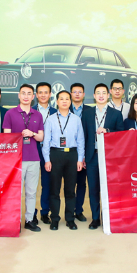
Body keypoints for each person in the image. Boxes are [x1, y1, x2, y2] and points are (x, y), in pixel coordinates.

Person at [81, 83, 124, 230]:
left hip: (109, 157)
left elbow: (121, 135)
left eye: (104, 93)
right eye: (98, 93)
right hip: (92, 156)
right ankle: (95, 218)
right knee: (93, 189)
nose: (101, 95)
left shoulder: (116, 114)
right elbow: (83, 136)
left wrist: (108, 131)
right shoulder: (87, 113)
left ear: (108, 95)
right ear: (94, 96)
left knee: (109, 188)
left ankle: (107, 217)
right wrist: (83, 156)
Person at [3, 84, 45, 232]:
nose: (26, 96)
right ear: (19, 95)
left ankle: (29, 220)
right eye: (23, 93)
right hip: (16, 159)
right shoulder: (10, 114)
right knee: (16, 192)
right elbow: (6, 137)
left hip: (33, 159)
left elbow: (41, 137)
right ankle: (15, 221)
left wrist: (32, 134)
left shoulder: (38, 115)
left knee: (31, 192)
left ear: (33, 97)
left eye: (29, 94)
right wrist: (18, 135)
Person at [42, 90, 85, 231]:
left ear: (70, 101)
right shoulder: (50, 119)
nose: (65, 101)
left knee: (70, 190)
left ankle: (70, 219)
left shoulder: (76, 119)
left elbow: (81, 141)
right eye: (62, 99)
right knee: (54, 189)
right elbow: (46, 142)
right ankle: (55, 219)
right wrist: (47, 160)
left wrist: (80, 159)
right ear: (57, 102)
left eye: (67, 99)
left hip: (72, 155)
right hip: (55, 155)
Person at [33, 82, 57, 225]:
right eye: (40, 92)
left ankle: (45, 212)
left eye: (46, 92)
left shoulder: (56, 112)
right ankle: (32, 213)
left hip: (49, 152)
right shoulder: (30, 111)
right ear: (36, 95)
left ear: (50, 94)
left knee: (47, 184)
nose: (43, 95)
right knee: (31, 184)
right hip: (33, 149)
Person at [69, 82, 93, 222]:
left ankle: (78, 210)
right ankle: (69, 210)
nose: (77, 94)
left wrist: (83, 155)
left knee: (81, 183)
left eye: (80, 92)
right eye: (74, 92)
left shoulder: (90, 110)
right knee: (69, 184)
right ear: (70, 94)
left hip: (85, 153)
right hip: (68, 152)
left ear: (84, 94)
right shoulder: (64, 108)